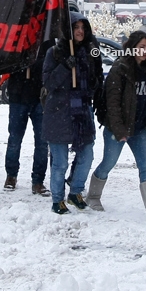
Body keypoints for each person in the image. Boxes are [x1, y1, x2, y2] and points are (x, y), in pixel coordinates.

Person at [87, 31, 146, 219]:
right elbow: (113, 103)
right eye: (141, 47)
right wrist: (119, 130)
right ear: (132, 47)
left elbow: (145, 101)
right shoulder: (120, 69)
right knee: (108, 163)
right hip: (117, 128)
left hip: (139, 128)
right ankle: (92, 197)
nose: (145, 51)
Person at [42, 12, 103, 214]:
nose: (79, 31)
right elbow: (49, 83)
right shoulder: (55, 52)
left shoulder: (89, 51)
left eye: (82, 28)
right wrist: (65, 67)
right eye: (75, 28)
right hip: (59, 113)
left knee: (87, 155)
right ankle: (57, 199)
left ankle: (76, 192)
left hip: (82, 113)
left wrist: (93, 85)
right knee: (59, 162)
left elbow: (95, 78)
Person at [4, 40, 53, 194]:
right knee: (14, 139)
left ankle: (38, 180)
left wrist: (36, 63)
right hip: (18, 97)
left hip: (40, 98)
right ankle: (11, 175)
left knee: (42, 142)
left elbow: (50, 64)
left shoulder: (47, 39)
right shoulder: (18, 35)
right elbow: (6, 62)